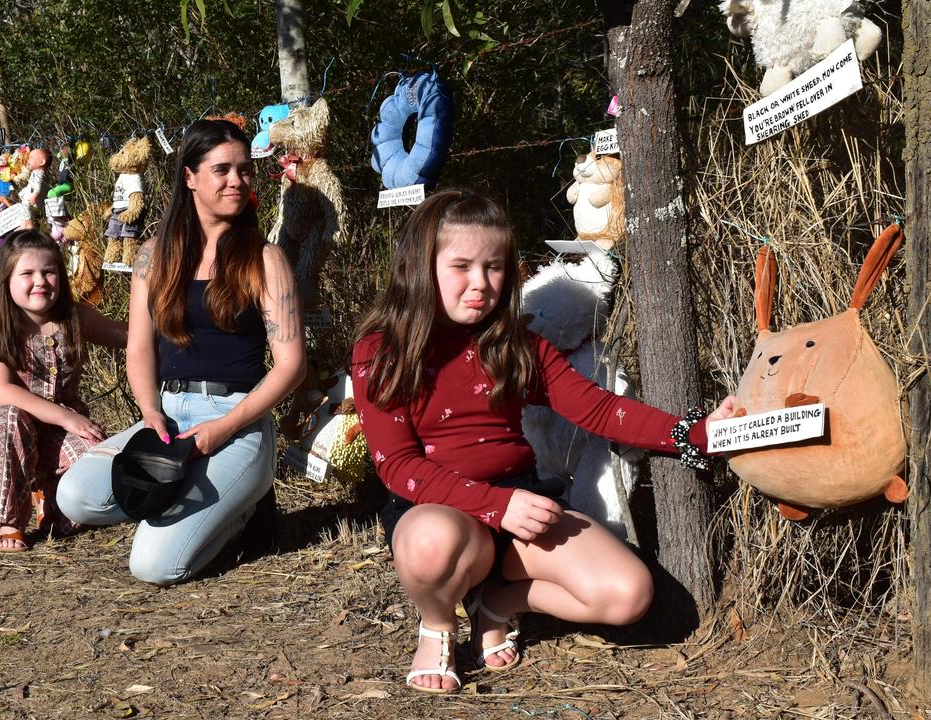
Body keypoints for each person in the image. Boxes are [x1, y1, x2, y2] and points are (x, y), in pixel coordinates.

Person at [350, 189, 734, 693]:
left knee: (628, 594)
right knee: (430, 542)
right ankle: (438, 624)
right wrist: (495, 507)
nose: (481, 284)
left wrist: (694, 434)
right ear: (419, 268)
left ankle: (497, 602)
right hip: (437, 511)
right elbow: (398, 467)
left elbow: (598, 408)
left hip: (521, 502)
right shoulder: (382, 350)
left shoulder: (517, 345)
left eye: (494, 267)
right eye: (461, 266)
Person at [56, 119, 306, 586]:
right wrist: (149, 411)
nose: (237, 180)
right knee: (74, 496)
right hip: (167, 416)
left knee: (154, 567)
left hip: (237, 422)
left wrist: (224, 427)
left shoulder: (264, 259)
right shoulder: (154, 255)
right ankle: (191, 503)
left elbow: (291, 365)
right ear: (189, 176)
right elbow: (139, 347)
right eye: (222, 170)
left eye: (245, 170)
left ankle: (244, 510)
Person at [0, 229, 127, 552]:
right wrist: (67, 418)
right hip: (14, 427)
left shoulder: (74, 318)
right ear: (7, 279)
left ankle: (52, 499)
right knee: (6, 419)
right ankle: (11, 521)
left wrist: (168, 326)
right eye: (27, 273)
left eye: (49, 272)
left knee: (98, 485)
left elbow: (128, 336)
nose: (40, 281)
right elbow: (1, 390)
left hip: (60, 430)